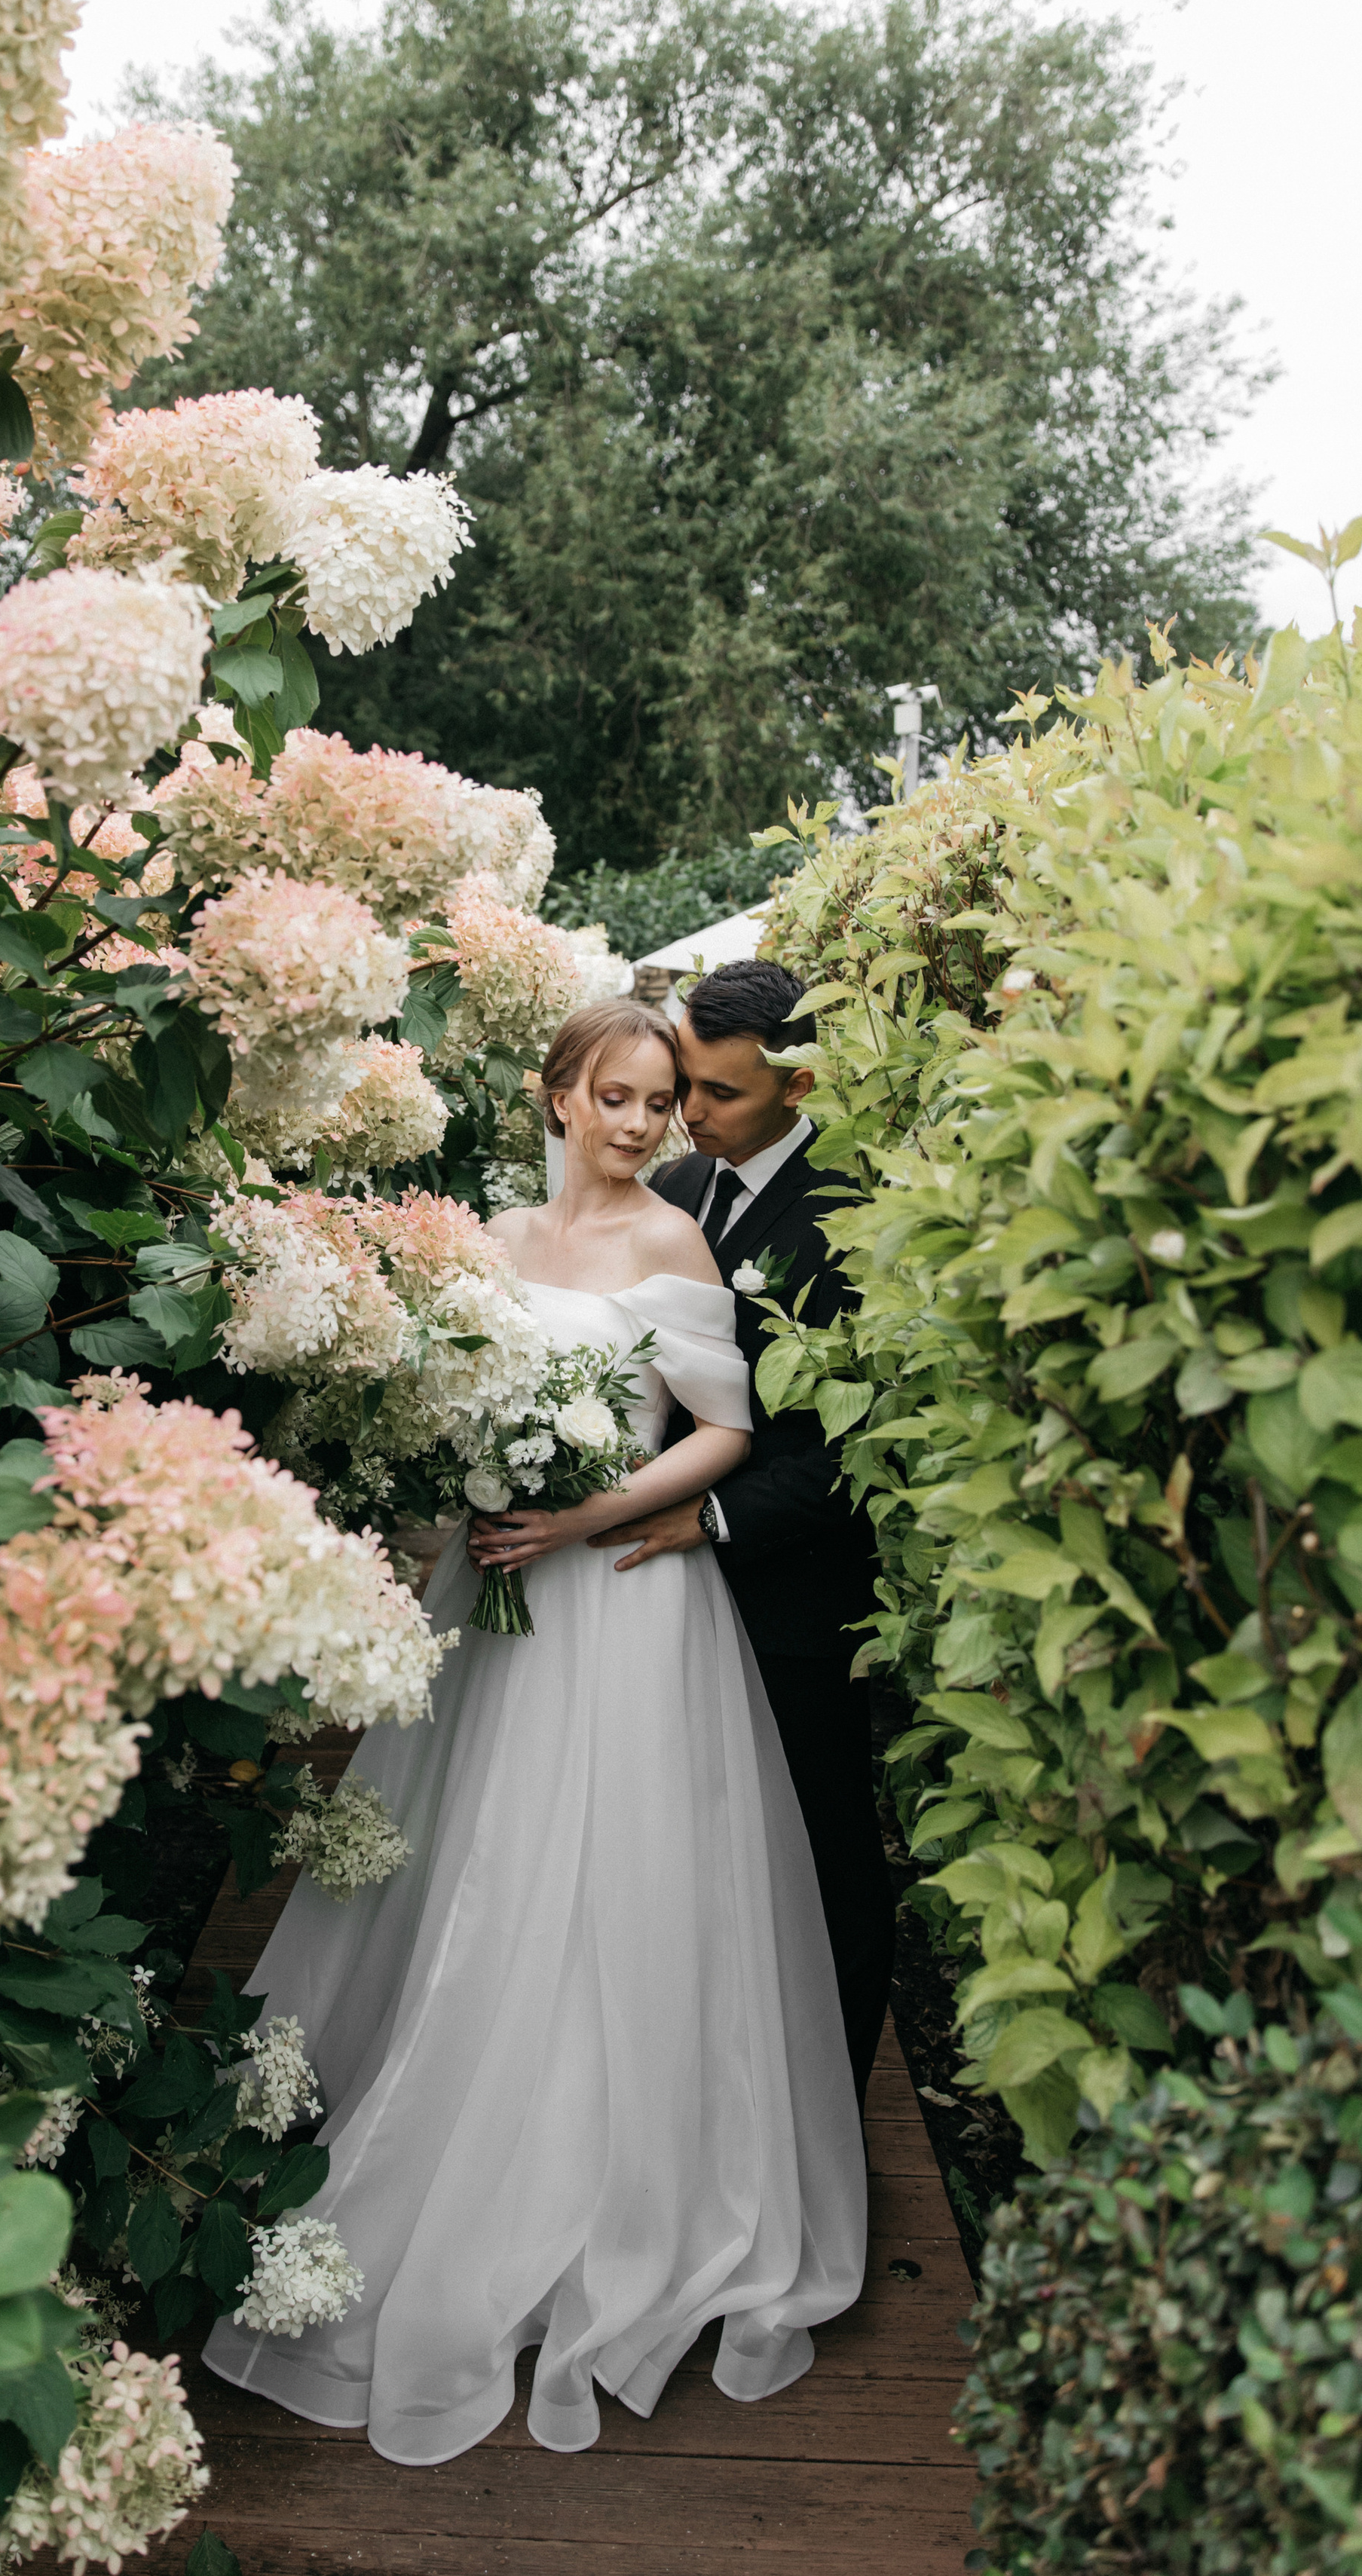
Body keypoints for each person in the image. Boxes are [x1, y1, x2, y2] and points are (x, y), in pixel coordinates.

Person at [203, 997, 866, 2467]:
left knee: (606, 1875)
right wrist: (462, 1481)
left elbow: (723, 1429)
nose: (640, 1126)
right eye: (613, 1099)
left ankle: (609, 2190)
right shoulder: (491, 1239)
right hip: (491, 1589)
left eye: (658, 1105)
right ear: (551, 1093)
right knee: (471, 1862)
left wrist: (587, 1509)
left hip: (620, 1604)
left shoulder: (670, 1242)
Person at [592, 958, 896, 2097]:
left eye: (718, 1093)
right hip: (657, 1593)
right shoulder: (674, 1184)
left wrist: (708, 1514)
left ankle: (830, 2111)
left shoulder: (855, 1213)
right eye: (686, 1085)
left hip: (791, 1601)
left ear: (798, 1077)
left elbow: (862, 1444)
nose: (690, 1111)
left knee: (824, 1864)